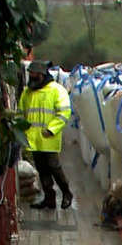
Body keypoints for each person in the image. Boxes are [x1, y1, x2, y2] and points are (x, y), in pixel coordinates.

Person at [19, 60, 73, 209]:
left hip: (49, 138)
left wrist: (51, 129)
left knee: (53, 166)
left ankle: (66, 193)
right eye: (30, 74)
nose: (32, 77)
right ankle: (49, 198)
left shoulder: (56, 90)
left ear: (42, 74)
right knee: (42, 169)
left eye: (34, 74)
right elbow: (21, 113)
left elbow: (64, 113)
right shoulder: (27, 92)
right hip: (33, 139)